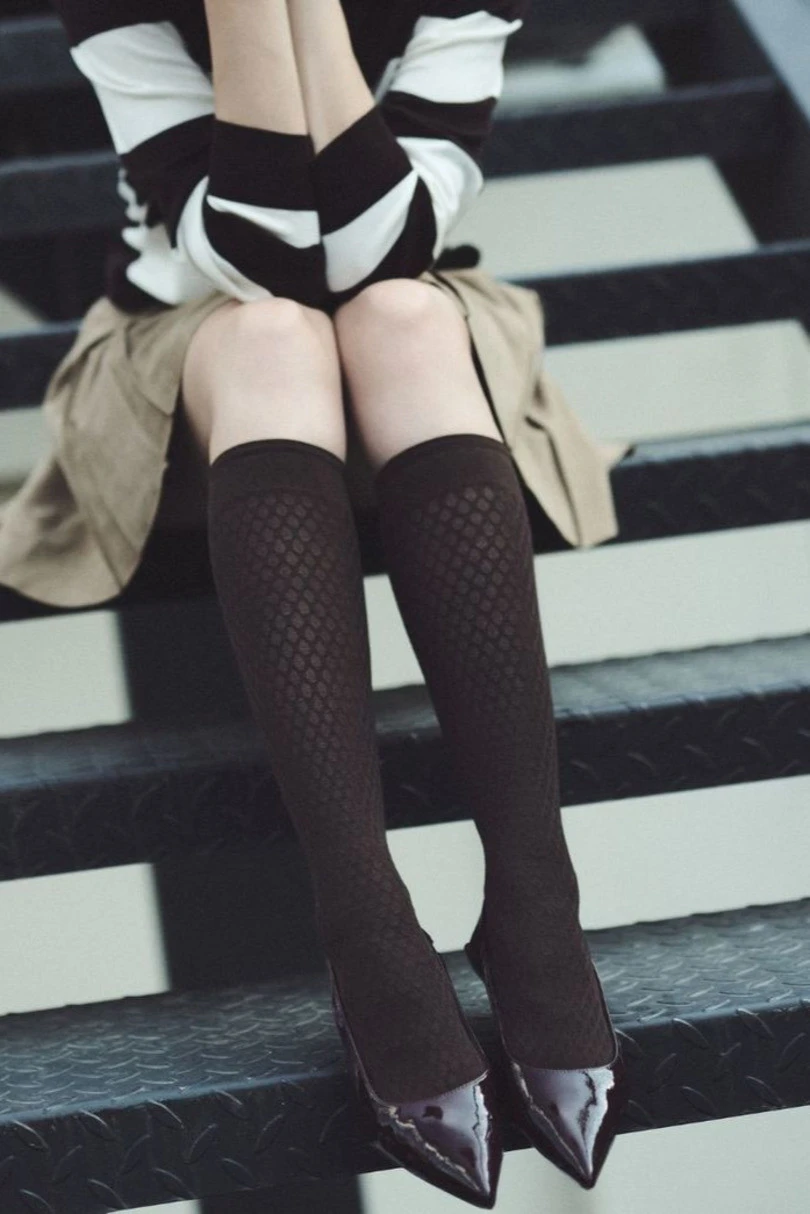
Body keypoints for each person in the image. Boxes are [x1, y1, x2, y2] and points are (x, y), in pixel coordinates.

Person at [0, 0, 631, 1204]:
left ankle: (535, 900)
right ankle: (366, 921)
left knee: (400, 314)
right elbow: (262, 257)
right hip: (190, 340)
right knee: (276, 334)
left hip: (415, 333)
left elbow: (388, 248)